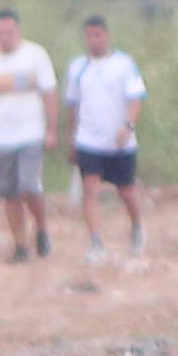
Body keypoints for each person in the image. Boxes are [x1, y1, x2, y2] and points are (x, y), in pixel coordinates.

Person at [0, 5, 59, 264]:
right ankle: (20, 245)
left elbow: (50, 93)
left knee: (29, 186)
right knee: (8, 194)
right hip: (0, 137)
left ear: (18, 31)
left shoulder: (36, 55)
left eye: (9, 32)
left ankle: (41, 228)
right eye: (0, 33)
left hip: (31, 134)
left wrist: (52, 130)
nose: (4, 37)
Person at [65, 14, 149, 265]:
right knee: (89, 189)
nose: (93, 41)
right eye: (89, 36)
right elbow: (73, 105)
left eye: (98, 35)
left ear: (107, 36)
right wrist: (73, 138)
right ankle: (96, 241)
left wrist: (128, 126)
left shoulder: (124, 65)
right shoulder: (77, 68)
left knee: (125, 190)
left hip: (120, 141)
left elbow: (136, 98)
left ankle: (136, 227)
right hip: (88, 140)